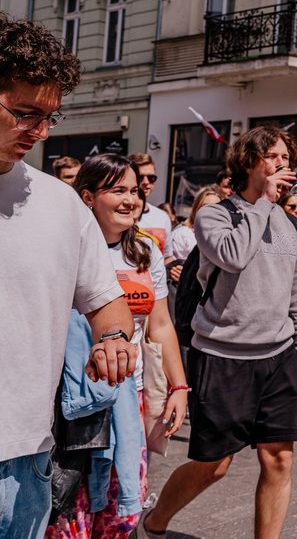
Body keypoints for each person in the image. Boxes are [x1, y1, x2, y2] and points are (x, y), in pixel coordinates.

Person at [136, 126, 297, 539]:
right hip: (221, 356)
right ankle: (155, 521)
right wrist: (261, 202)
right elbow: (233, 256)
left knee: (279, 460)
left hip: (279, 357)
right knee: (214, 465)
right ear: (250, 162)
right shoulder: (217, 214)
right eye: (274, 157)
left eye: (287, 159)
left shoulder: (292, 226)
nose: (283, 166)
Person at [0, 13, 137, 538]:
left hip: (31, 456)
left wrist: (115, 338)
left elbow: (105, 300)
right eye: (24, 112)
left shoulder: (60, 205)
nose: (39, 131)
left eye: (50, 117)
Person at [47, 154, 188, 537]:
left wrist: (178, 387)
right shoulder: (62, 250)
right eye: (117, 190)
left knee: (120, 510)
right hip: (70, 403)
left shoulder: (145, 253)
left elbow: (160, 325)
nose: (131, 200)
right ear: (88, 197)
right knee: (66, 513)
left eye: (134, 190)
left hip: (130, 396)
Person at [128, 153, 171, 255]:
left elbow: (167, 256)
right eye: (140, 177)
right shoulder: (120, 213)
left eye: (151, 178)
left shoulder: (162, 217)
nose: (146, 182)